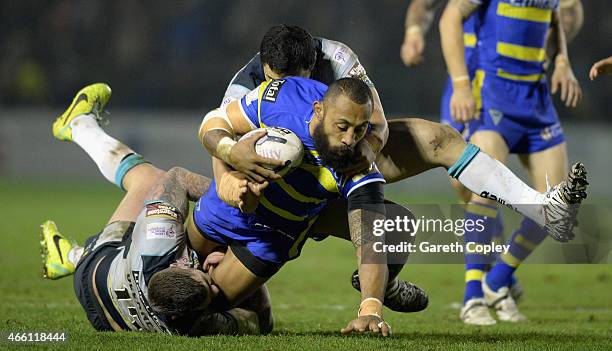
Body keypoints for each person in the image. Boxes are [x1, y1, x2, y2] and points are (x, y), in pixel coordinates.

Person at [198, 74, 587, 335]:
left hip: (283, 231)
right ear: (318, 110)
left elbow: (368, 229)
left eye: (359, 129)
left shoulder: (356, 153)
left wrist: (370, 308)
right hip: (236, 209)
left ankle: (538, 208)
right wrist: (231, 157)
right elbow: (215, 120)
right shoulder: (279, 97)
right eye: (343, 128)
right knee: (181, 291)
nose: (351, 138)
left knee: (396, 221)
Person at [42, 83, 272, 336]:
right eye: (212, 291)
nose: (217, 288)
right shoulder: (197, 323)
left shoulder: (155, 244)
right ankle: (69, 256)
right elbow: (260, 321)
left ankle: (79, 126)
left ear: (176, 267)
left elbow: (177, 178)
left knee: (150, 180)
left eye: (208, 284)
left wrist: (228, 198)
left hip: (97, 266)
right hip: (103, 303)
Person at [439, 0, 583, 325]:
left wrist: (561, 59)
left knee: (559, 206)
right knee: (482, 190)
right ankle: (472, 295)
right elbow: (449, 17)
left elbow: (556, 15)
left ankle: (498, 279)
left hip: (536, 99)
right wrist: (461, 85)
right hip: (492, 95)